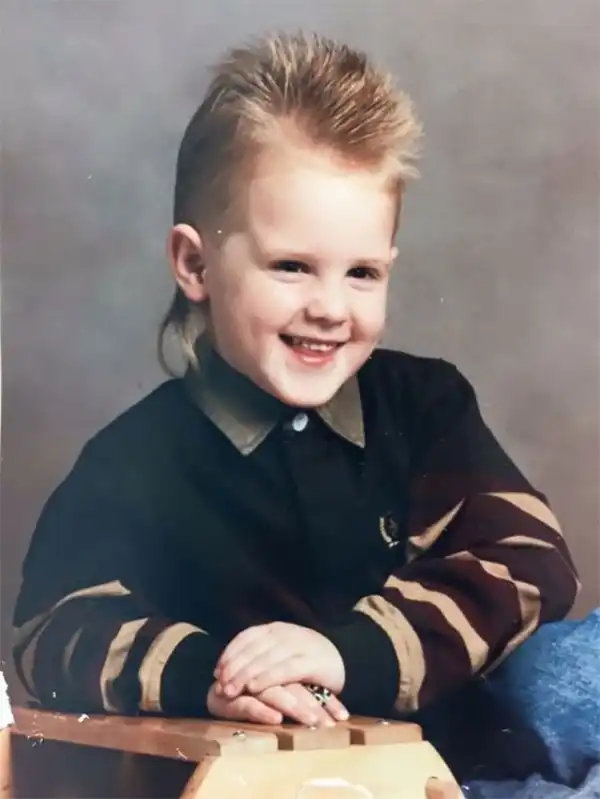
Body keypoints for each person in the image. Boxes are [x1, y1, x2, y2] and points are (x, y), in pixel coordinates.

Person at [12, 32, 588, 784]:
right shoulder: (140, 459)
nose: (330, 308)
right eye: (292, 267)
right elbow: (51, 627)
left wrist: (345, 653)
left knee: (574, 666)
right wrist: (212, 674)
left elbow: (529, 557)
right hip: (285, 778)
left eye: (362, 273)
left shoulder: (422, 405)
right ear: (195, 264)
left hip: (459, 769)